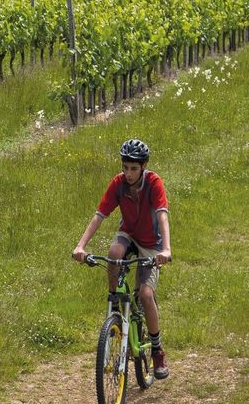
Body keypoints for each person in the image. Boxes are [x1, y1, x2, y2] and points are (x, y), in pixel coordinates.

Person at [72, 138, 173, 378]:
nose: (128, 173)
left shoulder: (154, 183)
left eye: (133, 169)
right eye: (125, 167)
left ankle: (157, 351)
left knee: (146, 294)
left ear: (144, 166)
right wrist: (80, 246)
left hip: (151, 243)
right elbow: (99, 216)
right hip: (128, 233)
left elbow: (162, 217)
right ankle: (116, 304)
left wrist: (166, 249)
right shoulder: (118, 184)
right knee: (114, 254)